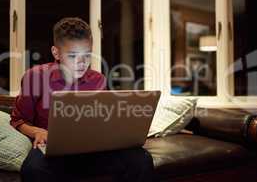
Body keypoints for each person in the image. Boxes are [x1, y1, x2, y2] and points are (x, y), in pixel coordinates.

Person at [10, 17, 154, 182]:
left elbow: (104, 119)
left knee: (141, 159)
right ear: (56, 53)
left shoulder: (98, 79)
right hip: (53, 151)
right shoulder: (35, 77)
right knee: (33, 170)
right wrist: (37, 131)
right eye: (72, 56)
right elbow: (18, 120)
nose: (82, 63)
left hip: (94, 148)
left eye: (87, 55)